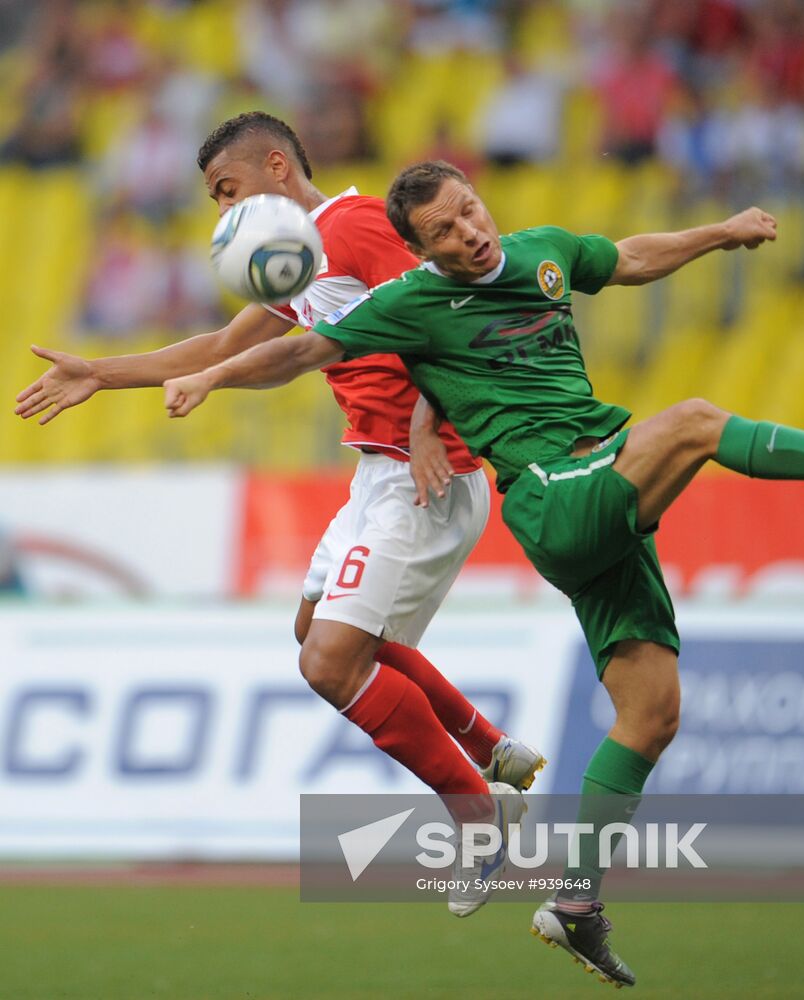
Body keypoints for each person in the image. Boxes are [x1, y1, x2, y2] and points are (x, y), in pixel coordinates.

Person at [159, 160, 804, 987]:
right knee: (695, 425)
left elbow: (630, 256)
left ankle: (573, 907)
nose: (468, 232)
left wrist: (719, 233)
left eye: (469, 211)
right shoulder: (410, 303)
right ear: (423, 252)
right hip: (551, 497)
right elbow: (306, 349)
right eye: (445, 233)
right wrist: (210, 374)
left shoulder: (544, 254)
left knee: (653, 714)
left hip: (602, 477)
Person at [14, 118, 545, 915]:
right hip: (376, 476)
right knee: (317, 635)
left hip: (423, 472)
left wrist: (432, 423)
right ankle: (491, 749)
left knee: (332, 663)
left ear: (275, 166)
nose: (222, 211)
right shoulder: (298, 265)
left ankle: (479, 813)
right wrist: (103, 371)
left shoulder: (358, 224)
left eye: (227, 191)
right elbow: (223, 348)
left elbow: (448, 315)